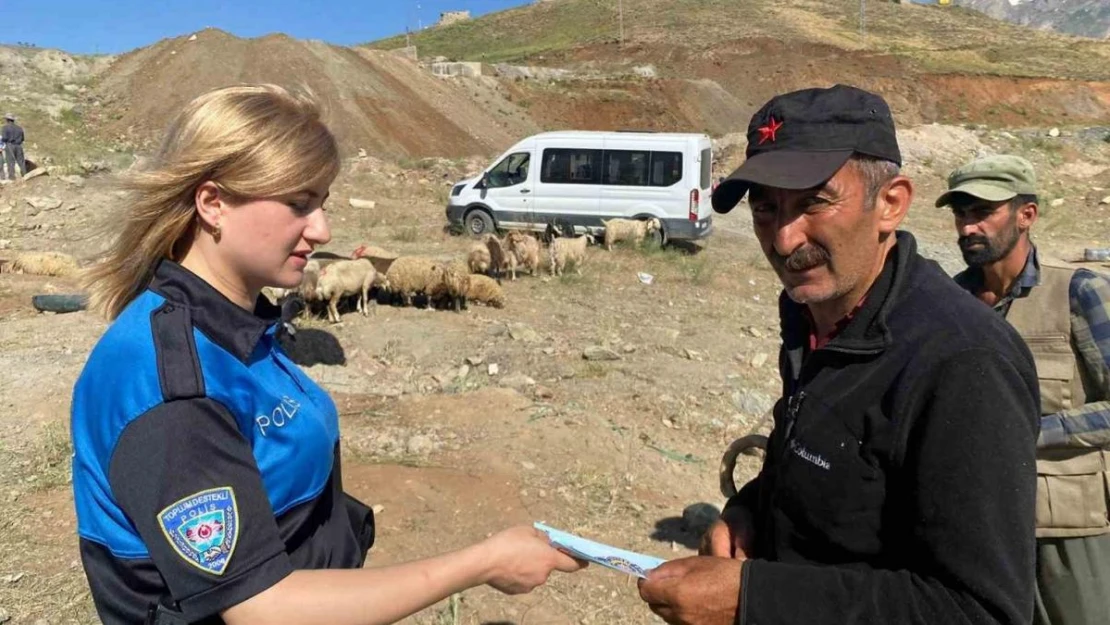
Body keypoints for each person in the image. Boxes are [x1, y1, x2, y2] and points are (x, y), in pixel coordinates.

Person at [71, 84, 584, 625]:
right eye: (298, 204)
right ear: (213, 203)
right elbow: (263, 608)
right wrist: (483, 563)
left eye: (322, 203)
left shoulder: (233, 326)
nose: (322, 230)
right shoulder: (175, 393)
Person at [637, 84, 1040, 625]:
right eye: (764, 209)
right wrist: (752, 510)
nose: (782, 240)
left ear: (890, 203)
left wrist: (755, 599)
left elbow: (979, 611)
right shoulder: (811, 315)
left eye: (813, 202)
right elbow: (827, 465)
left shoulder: (964, 363)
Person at [937, 154, 1110, 625]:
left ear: (1026, 215)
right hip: (979, 526)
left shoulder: (1078, 291)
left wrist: (1023, 432)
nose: (968, 227)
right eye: (961, 213)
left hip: (1066, 529)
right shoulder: (952, 301)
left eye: (982, 212)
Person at [2, 113, 25, 179]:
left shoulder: (5, 128)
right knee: (21, 162)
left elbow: (4, 138)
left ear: (7, 120)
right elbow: (23, 139)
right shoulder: (19, 128)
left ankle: (12, 178)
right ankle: (25, 175)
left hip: (10, 145)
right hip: (19, 146)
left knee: (10, 162)